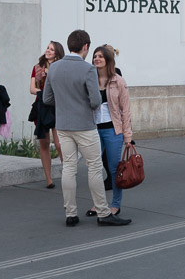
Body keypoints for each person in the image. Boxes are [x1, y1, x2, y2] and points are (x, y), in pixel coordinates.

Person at [43, 30, 130, 227]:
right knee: (95, 167)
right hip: (85, 126)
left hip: (63, 125)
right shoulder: (87, 70)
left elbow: (47, 98)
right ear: (85, 47)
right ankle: (103, 212)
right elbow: (95, 101)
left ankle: (70, 213)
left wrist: (65, 104)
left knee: (69, 168)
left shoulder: (54, 68)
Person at [86, 46, 132, 217]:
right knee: (94, 169)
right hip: (93, 130)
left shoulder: (118, 81)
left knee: (114, 169)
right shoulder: (89, 80)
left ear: (108, 59)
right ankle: (98, 204)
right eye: (94, 56)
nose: (96, 59)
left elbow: (126, 110)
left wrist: (128, 138)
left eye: (100, 56)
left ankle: (115, 204)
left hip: (113, 131)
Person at [30, 41, 65, 189]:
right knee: (44, 143)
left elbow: (63, 87)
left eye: (51, 49)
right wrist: (43, 92)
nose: (48, 51)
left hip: (57, 106)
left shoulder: (61, 68)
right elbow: (32, 89)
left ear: (57, 53)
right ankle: (49, 179)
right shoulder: (37, 68)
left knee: (59, 143)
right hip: (42, 107)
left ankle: (68, 173)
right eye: (47, 48)